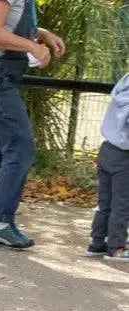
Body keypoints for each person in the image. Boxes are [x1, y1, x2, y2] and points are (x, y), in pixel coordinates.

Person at [0, 0, 65, 249]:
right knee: (20, 148)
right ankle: (0, 223)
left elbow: (7, 22)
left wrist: (42, 33)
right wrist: (33, 47)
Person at [86, 72, 129, 261]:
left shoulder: (124, 84)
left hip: (107, 148)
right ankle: (117, 247)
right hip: (124, 154)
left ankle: (97, 243)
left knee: (105, 202)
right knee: (122, 203)